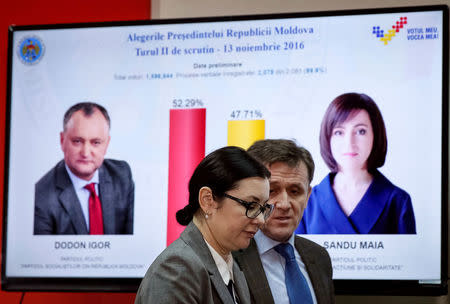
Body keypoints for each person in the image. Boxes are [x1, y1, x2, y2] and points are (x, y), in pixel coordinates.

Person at [135, 146, 272, 304]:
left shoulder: (230, 261)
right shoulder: (176, 270)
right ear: (208, 200)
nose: (261, 220)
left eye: (264, 208)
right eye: (251, 206)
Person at [296, 93, 416, 234]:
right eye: (339, 132)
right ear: (328, 137)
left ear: (375, 136)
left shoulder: (398, 201)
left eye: (360, 131)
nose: (349, 143)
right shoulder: (307, 202)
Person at [234, 139, 335, 304]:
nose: (284, 204)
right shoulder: (227, 258)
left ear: (308, 195)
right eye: (272, 191)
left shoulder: (320, 257)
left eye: (295, 191)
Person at [34, 102, 134, 235]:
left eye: (96, 142)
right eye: (77, 141)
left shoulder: (122, 175)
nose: (86, 153)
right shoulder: (41, 197)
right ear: (62, 140)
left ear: (107, 144)